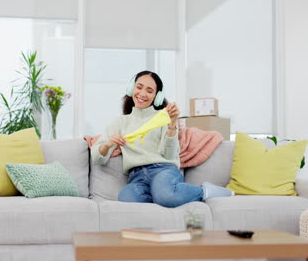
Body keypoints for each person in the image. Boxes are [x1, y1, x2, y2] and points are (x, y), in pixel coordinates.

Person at [91, 70, 233, 208]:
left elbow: (170, 155)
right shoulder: (120, 122)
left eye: (149, 90)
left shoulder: (163, 118)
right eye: (139, 87)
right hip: (136, 176)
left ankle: (205, 191)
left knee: (166, 196)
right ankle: (162, 196)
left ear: (157, 96)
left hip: (162, 170)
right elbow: (98, 158)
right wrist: (108, 144)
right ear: (131, 89)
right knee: (126, 198)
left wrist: (172, 124)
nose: (142, 94)